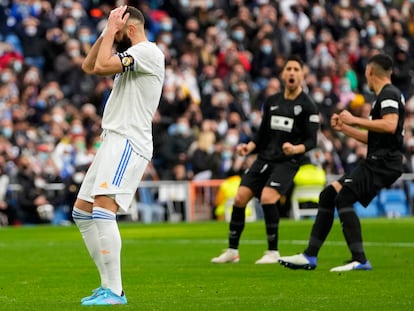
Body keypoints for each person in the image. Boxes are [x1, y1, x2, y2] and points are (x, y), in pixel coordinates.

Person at [71, 5, 165, 305]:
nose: (117, 37)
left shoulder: (148, 52)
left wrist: (113, 32)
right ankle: (106, 286)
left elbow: (100, 67)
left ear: (131, 29)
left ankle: (115, 290)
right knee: (82, 212)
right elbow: (89, 65)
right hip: (112, 138)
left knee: (102, 209)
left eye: (121, 32)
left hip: (129, 139)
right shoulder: (130, 53)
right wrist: (107, 31)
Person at [278, 53, 405, 272]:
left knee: (343, 198)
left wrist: (354, 119)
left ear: (370, 71)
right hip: (378, 160)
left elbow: (390, 125)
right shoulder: (386, 95)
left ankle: (360, 259)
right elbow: (376, 136)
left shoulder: (389, 94)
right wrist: (345, 129)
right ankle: (310, 256)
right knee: (329, 195)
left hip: (383, 163)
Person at [211, 55, 320, 264]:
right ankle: (232, 251)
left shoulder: (308, 106)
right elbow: (262, 134)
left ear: (302, 75)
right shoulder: (272, 102)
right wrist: (248, 147)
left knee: (269, 197)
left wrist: (295, 148)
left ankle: (273, 251)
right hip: (264, 158)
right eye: (289, 69)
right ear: (282, 74)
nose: (292, 73)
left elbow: (312, 140)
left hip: (288, 161)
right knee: (240, 198)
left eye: (296, 69)